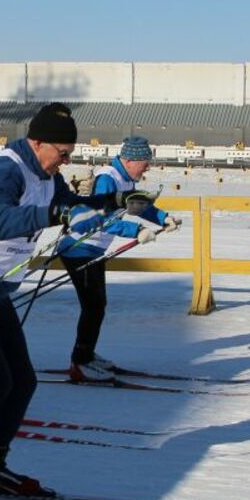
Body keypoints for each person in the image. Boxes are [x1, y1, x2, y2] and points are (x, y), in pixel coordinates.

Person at [0, 102, 146, 500]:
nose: (66, 161)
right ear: (37, 143)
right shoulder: (5, 169)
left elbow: (73, 203)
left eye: (70, 154)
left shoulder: (48, 175)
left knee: (22, 381)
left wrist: (117, 202)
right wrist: (57, 212)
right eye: (63, 153)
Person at [56, 135, 178, 380]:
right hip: (79, 248)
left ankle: (86, 355)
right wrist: (136, 230)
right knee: (93, 307)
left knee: (97, 306)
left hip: (92, 250)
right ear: (130, 160)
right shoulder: (108, 178)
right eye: (145, 162)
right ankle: (80, 362)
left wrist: (163, 218)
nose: (147, 168)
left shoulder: (125, 178)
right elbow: (102, 219)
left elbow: (138, 205)